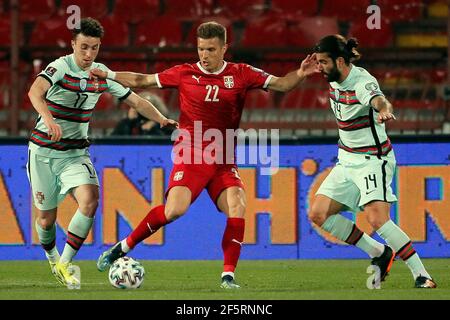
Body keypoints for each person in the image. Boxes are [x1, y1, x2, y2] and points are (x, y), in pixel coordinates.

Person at [90, 21, 319, 289]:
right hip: (192, 154)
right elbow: (142, 80)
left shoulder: (242, 73)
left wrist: (301, 73)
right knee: (175, 210)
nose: (204, 55)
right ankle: (122, 247)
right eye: (201, 49)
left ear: (224, 48)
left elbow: (282, 85)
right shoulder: (184, 73)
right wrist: (109, 74)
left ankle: (228, 277)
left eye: (211, 49)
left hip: (223, 159)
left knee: (238, 205)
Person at [27, 17, 177, 288]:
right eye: (83, 47)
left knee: (90, 199)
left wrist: (161, 119)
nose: (88, 54)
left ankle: (65, 263)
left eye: (94, 48)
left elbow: (137, 100)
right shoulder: (60, 67)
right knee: (46, 219)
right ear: (73, 44)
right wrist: (48, 119)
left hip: (75, 153)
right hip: (43, 152)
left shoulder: (100, 73)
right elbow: (34, 92)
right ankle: (52, 259)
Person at [308, 35, 436, 288]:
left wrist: (383, 110)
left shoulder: (361, 81)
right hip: (346, 160)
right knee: (318, 214)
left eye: (324, 62)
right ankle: (379, 251)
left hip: (372, 160)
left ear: (341, 61)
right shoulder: (335, 79)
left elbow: (378, 99)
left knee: (377, 219)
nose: (320, 67)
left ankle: (422, 275)